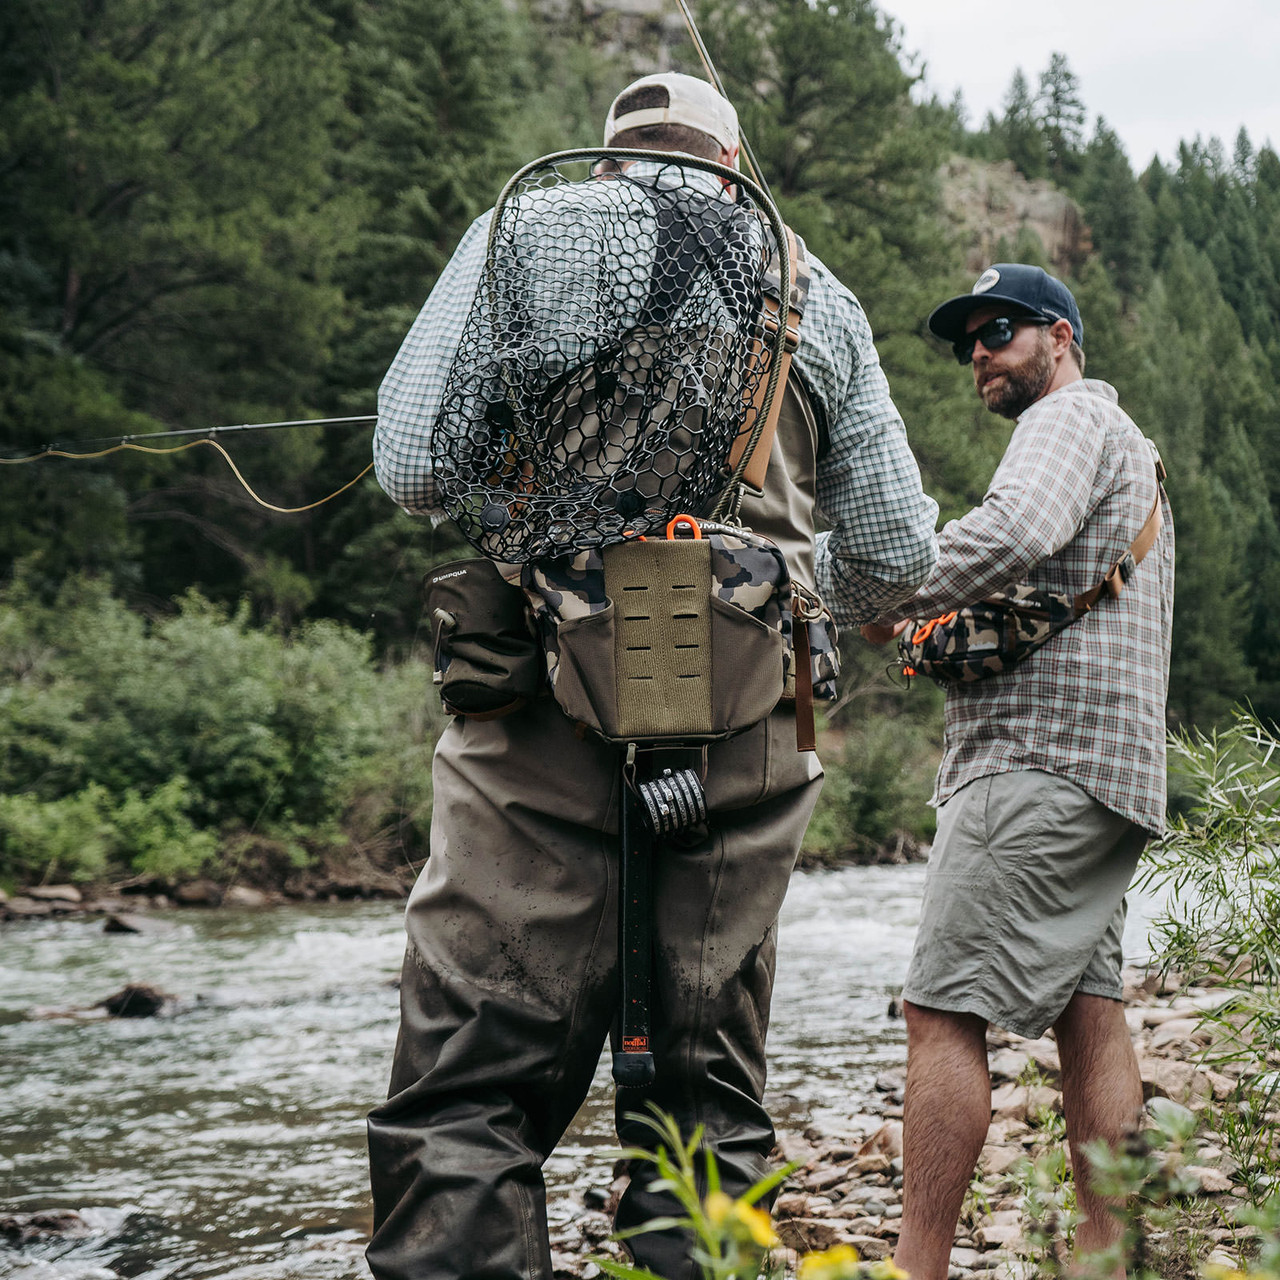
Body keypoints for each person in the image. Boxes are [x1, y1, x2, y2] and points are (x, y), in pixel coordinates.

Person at [367, 72, 938, 1280]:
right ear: (732, 163)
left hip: (529, 719)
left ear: (611, 159)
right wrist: (764, 574)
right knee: (703, 1090)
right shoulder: (814, 289)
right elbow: (895, 557)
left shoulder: (522, 229)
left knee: (470, 1076)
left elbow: (413, 466)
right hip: (744, 733)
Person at [861, 263, 1174, 1279]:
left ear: (1059, 335)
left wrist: (870, 581)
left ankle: (918, 1269)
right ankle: (1106, 1258)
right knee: (1089, 1008)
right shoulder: (1130, 448)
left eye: (997, 331)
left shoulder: (1064, 419)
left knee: (938, 1006)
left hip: (1032, 762)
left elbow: (1011, 532)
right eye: (966, 345)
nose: (979, 355)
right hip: (1111, 774)